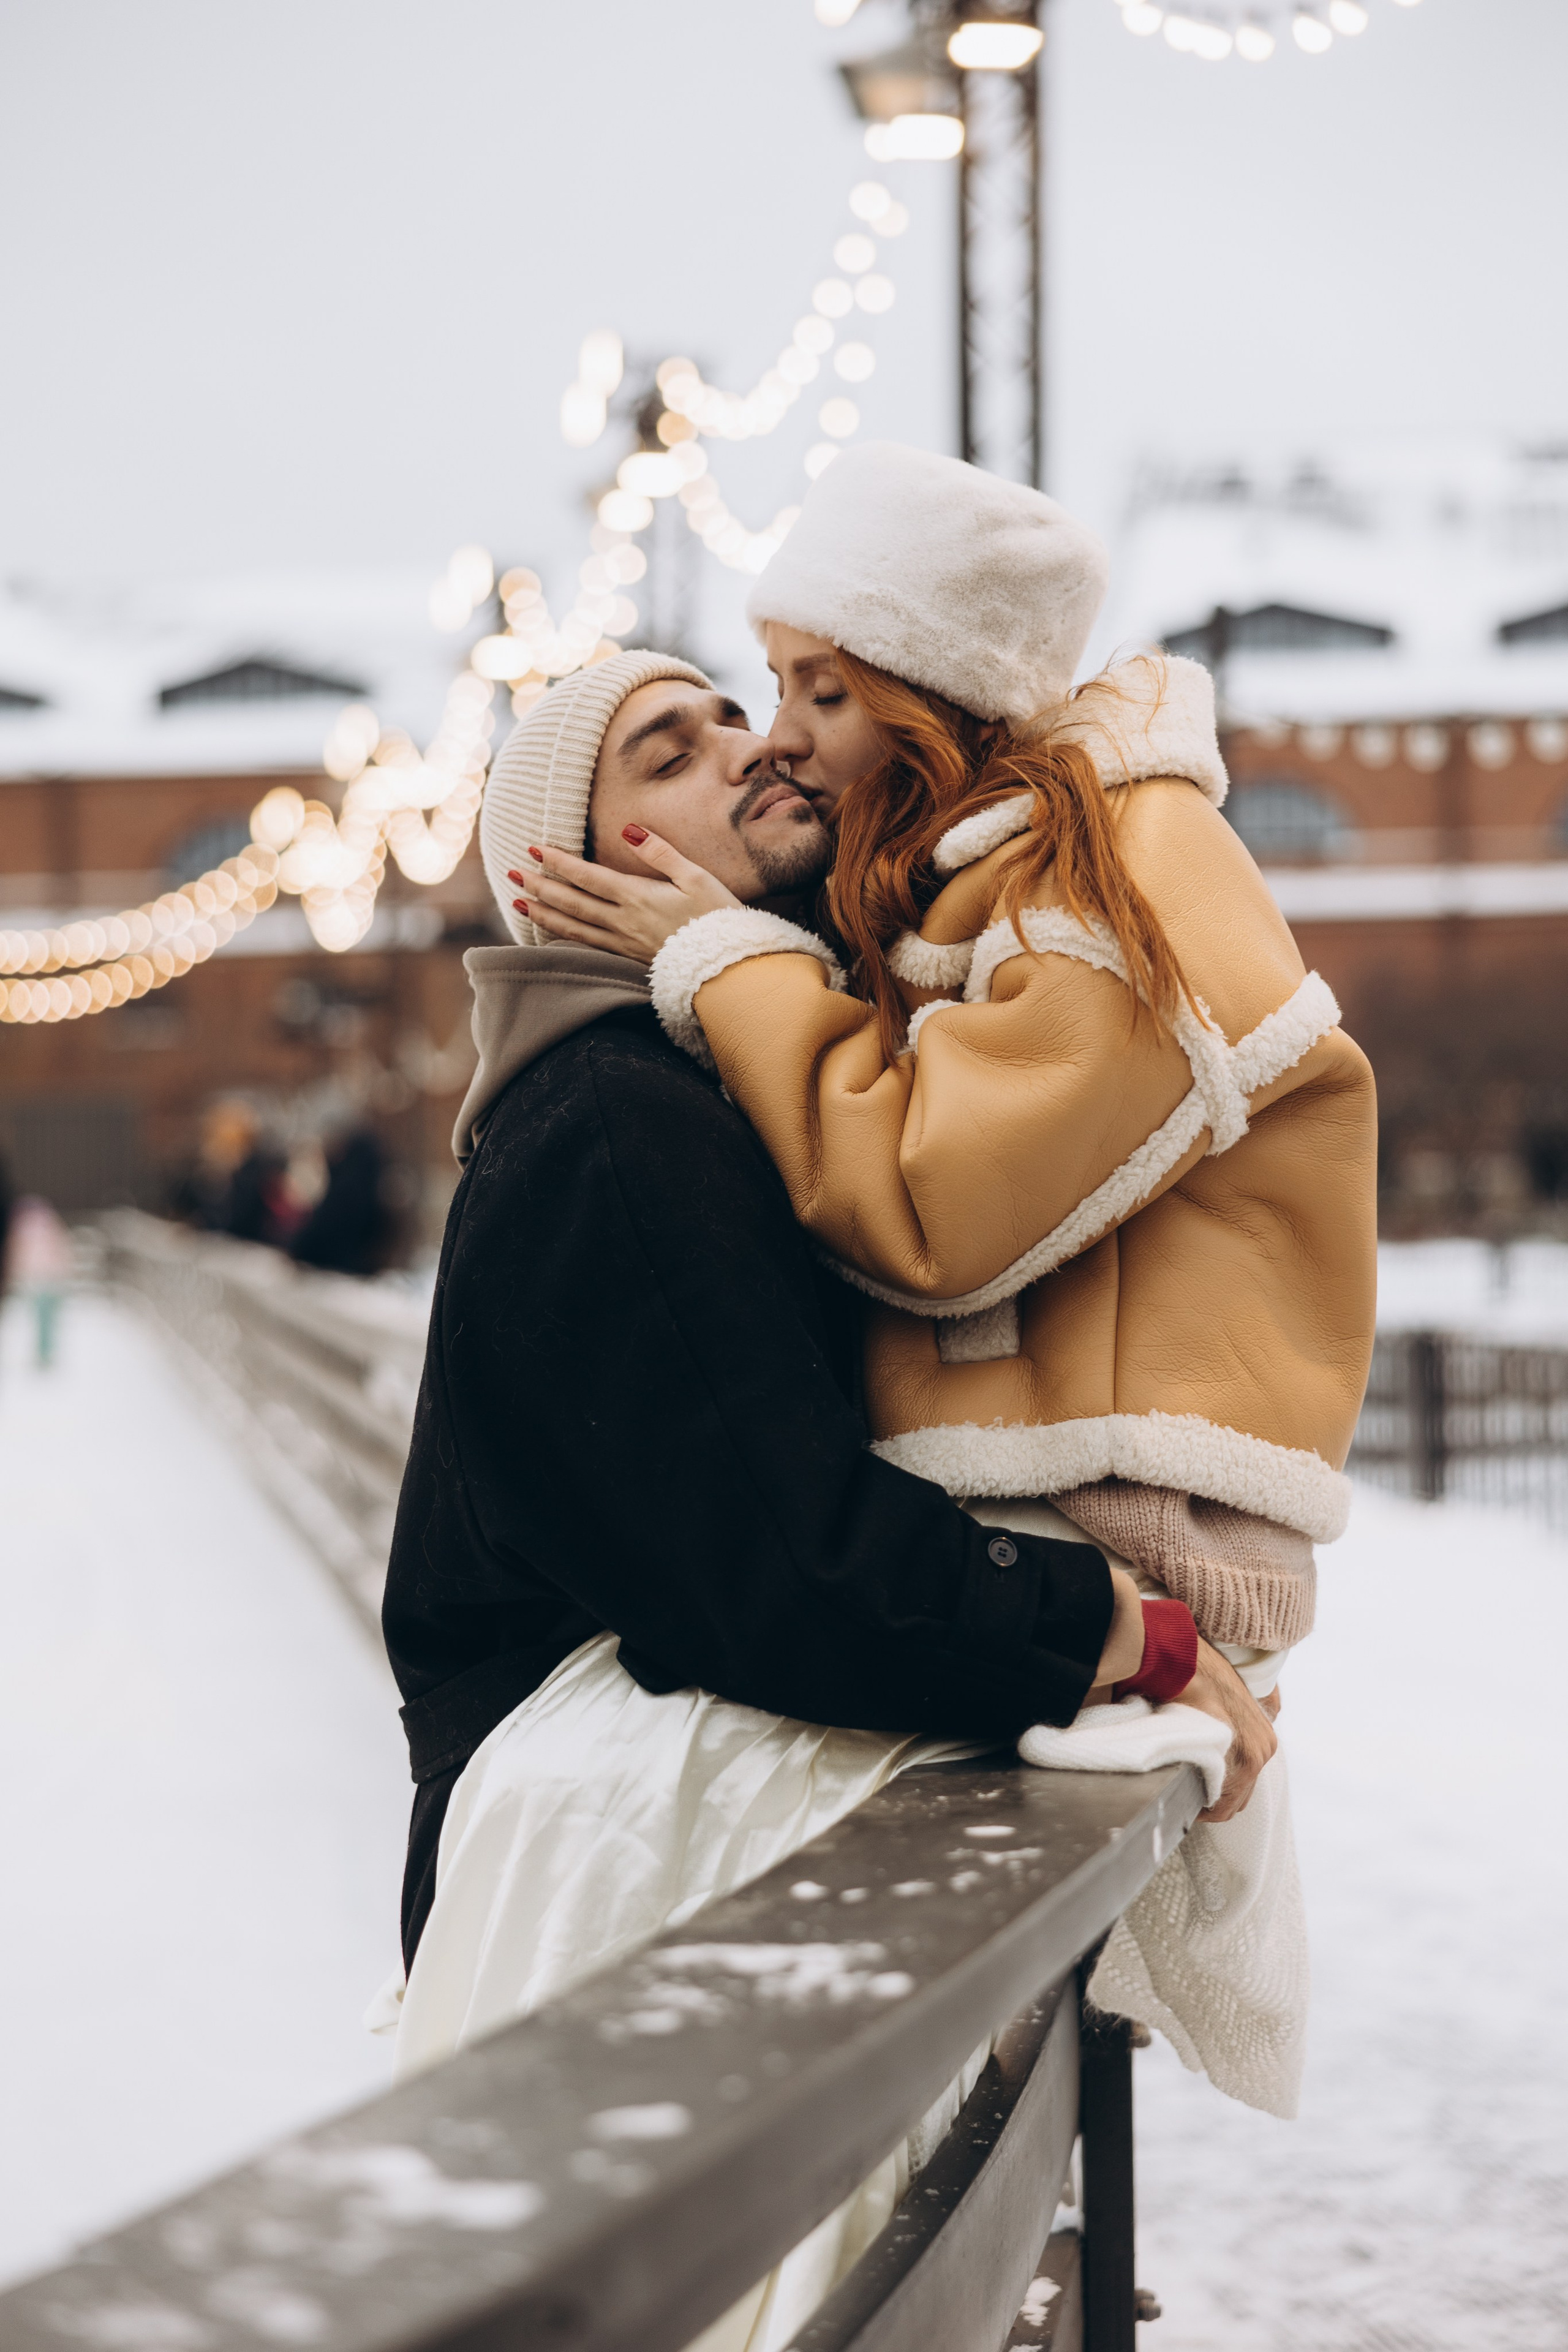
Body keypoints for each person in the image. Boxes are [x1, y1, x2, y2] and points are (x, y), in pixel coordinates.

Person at [379, 647, 1273, 2344]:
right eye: (671, 748)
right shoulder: (617, 1123)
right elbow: (791, 1563)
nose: (755, 746)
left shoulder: (720, 1090)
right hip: (609, 1928)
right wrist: (1115, 1633)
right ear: (564, 876)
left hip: (654, 1930)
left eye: (738, 711)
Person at [517, 445, 1378, 2119]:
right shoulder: (995, 867)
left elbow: (932, 1202)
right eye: (778, 681)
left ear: (938, 697)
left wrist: (720, 961)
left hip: (1139, 1517)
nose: (781, 735)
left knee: (785, 1891)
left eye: (818, 689)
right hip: (1079, 1497)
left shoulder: (1109, 879)